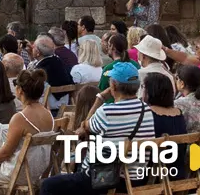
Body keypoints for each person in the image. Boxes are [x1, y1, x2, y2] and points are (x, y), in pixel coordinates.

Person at [40, 62, 155, 195]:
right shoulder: (146, 110)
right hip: (135, 179)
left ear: (113, 85)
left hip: (103, 179)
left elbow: (84, 127)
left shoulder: (107, 111)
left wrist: (100, 98)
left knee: (48, 185)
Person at [142, 74, 187, 178]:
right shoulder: (178, 113)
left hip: (153, 174)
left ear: (149, 92)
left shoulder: (146, 114)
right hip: (177, 171)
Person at [30, 35, 73, 112]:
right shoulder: (59, 62)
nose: (31, 48)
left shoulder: (40, 71)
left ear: (38, 53)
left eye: (33, 47)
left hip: (48, 109)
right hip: (65, 107)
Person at [97, 34, 139, 99]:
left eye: (108, 45)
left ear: (112, 47)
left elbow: (102, 91)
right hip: (135, 102)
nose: (107, 48)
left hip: (112, 105)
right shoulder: (135, 65)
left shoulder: (109, 68)